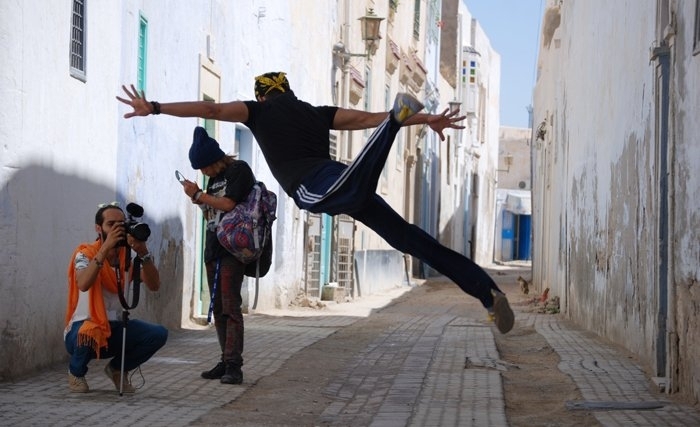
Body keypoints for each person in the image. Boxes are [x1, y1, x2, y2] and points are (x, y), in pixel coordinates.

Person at [116, 71, 515, 334]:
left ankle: (397, 122)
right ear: (288, 91)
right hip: (341, 175)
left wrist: (155, 107)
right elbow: (364, 118)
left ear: (262, 95)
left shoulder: (257, 110)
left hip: (315, 185)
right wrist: (423, 120)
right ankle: (487, 294)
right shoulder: (312, 112)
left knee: (336, 191)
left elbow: (211, 109)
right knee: (410, 238)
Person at [64, 203, 168, 393]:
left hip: (115, 329)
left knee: (158, 334)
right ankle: (76, 373)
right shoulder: (84, 253)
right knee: (88, 330)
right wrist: (105, 248)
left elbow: (154, 286)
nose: (117, 229)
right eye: (111, 224)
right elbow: (83, 283)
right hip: (83, 327)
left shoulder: (127, 257)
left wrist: (143, 252)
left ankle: (118, 369)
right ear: (98, 228)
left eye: (121, 224)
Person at [180, 126, 256, 384]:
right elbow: (213, 215)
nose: (204, 173)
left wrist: (201, 195)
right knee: (220, 308)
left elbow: (228, 204)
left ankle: (234, 365)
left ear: (216, 159)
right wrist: (201, 201)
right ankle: (225, 359)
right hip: (214, 247)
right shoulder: (213, 179)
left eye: (205, 167)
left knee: (230, 306)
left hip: (233, 250)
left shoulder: (239, 170)